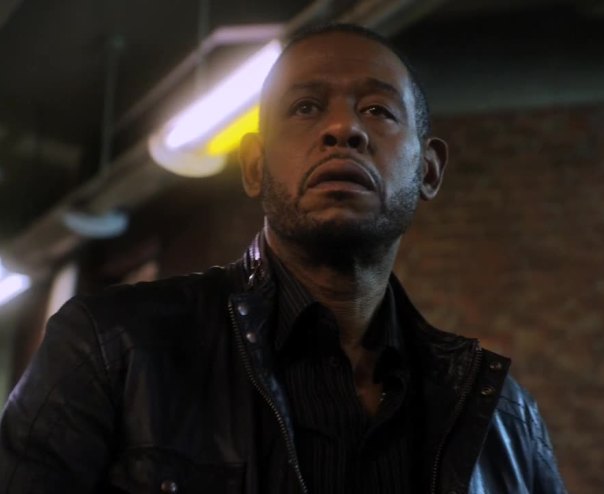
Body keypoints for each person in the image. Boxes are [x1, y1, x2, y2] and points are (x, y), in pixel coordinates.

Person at [0, 23, 566, 493]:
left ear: (429, 170)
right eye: (305, 107)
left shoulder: (505, 422)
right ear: (254, 166)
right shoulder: (113, 348)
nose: (343, 129)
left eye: (378, 110)